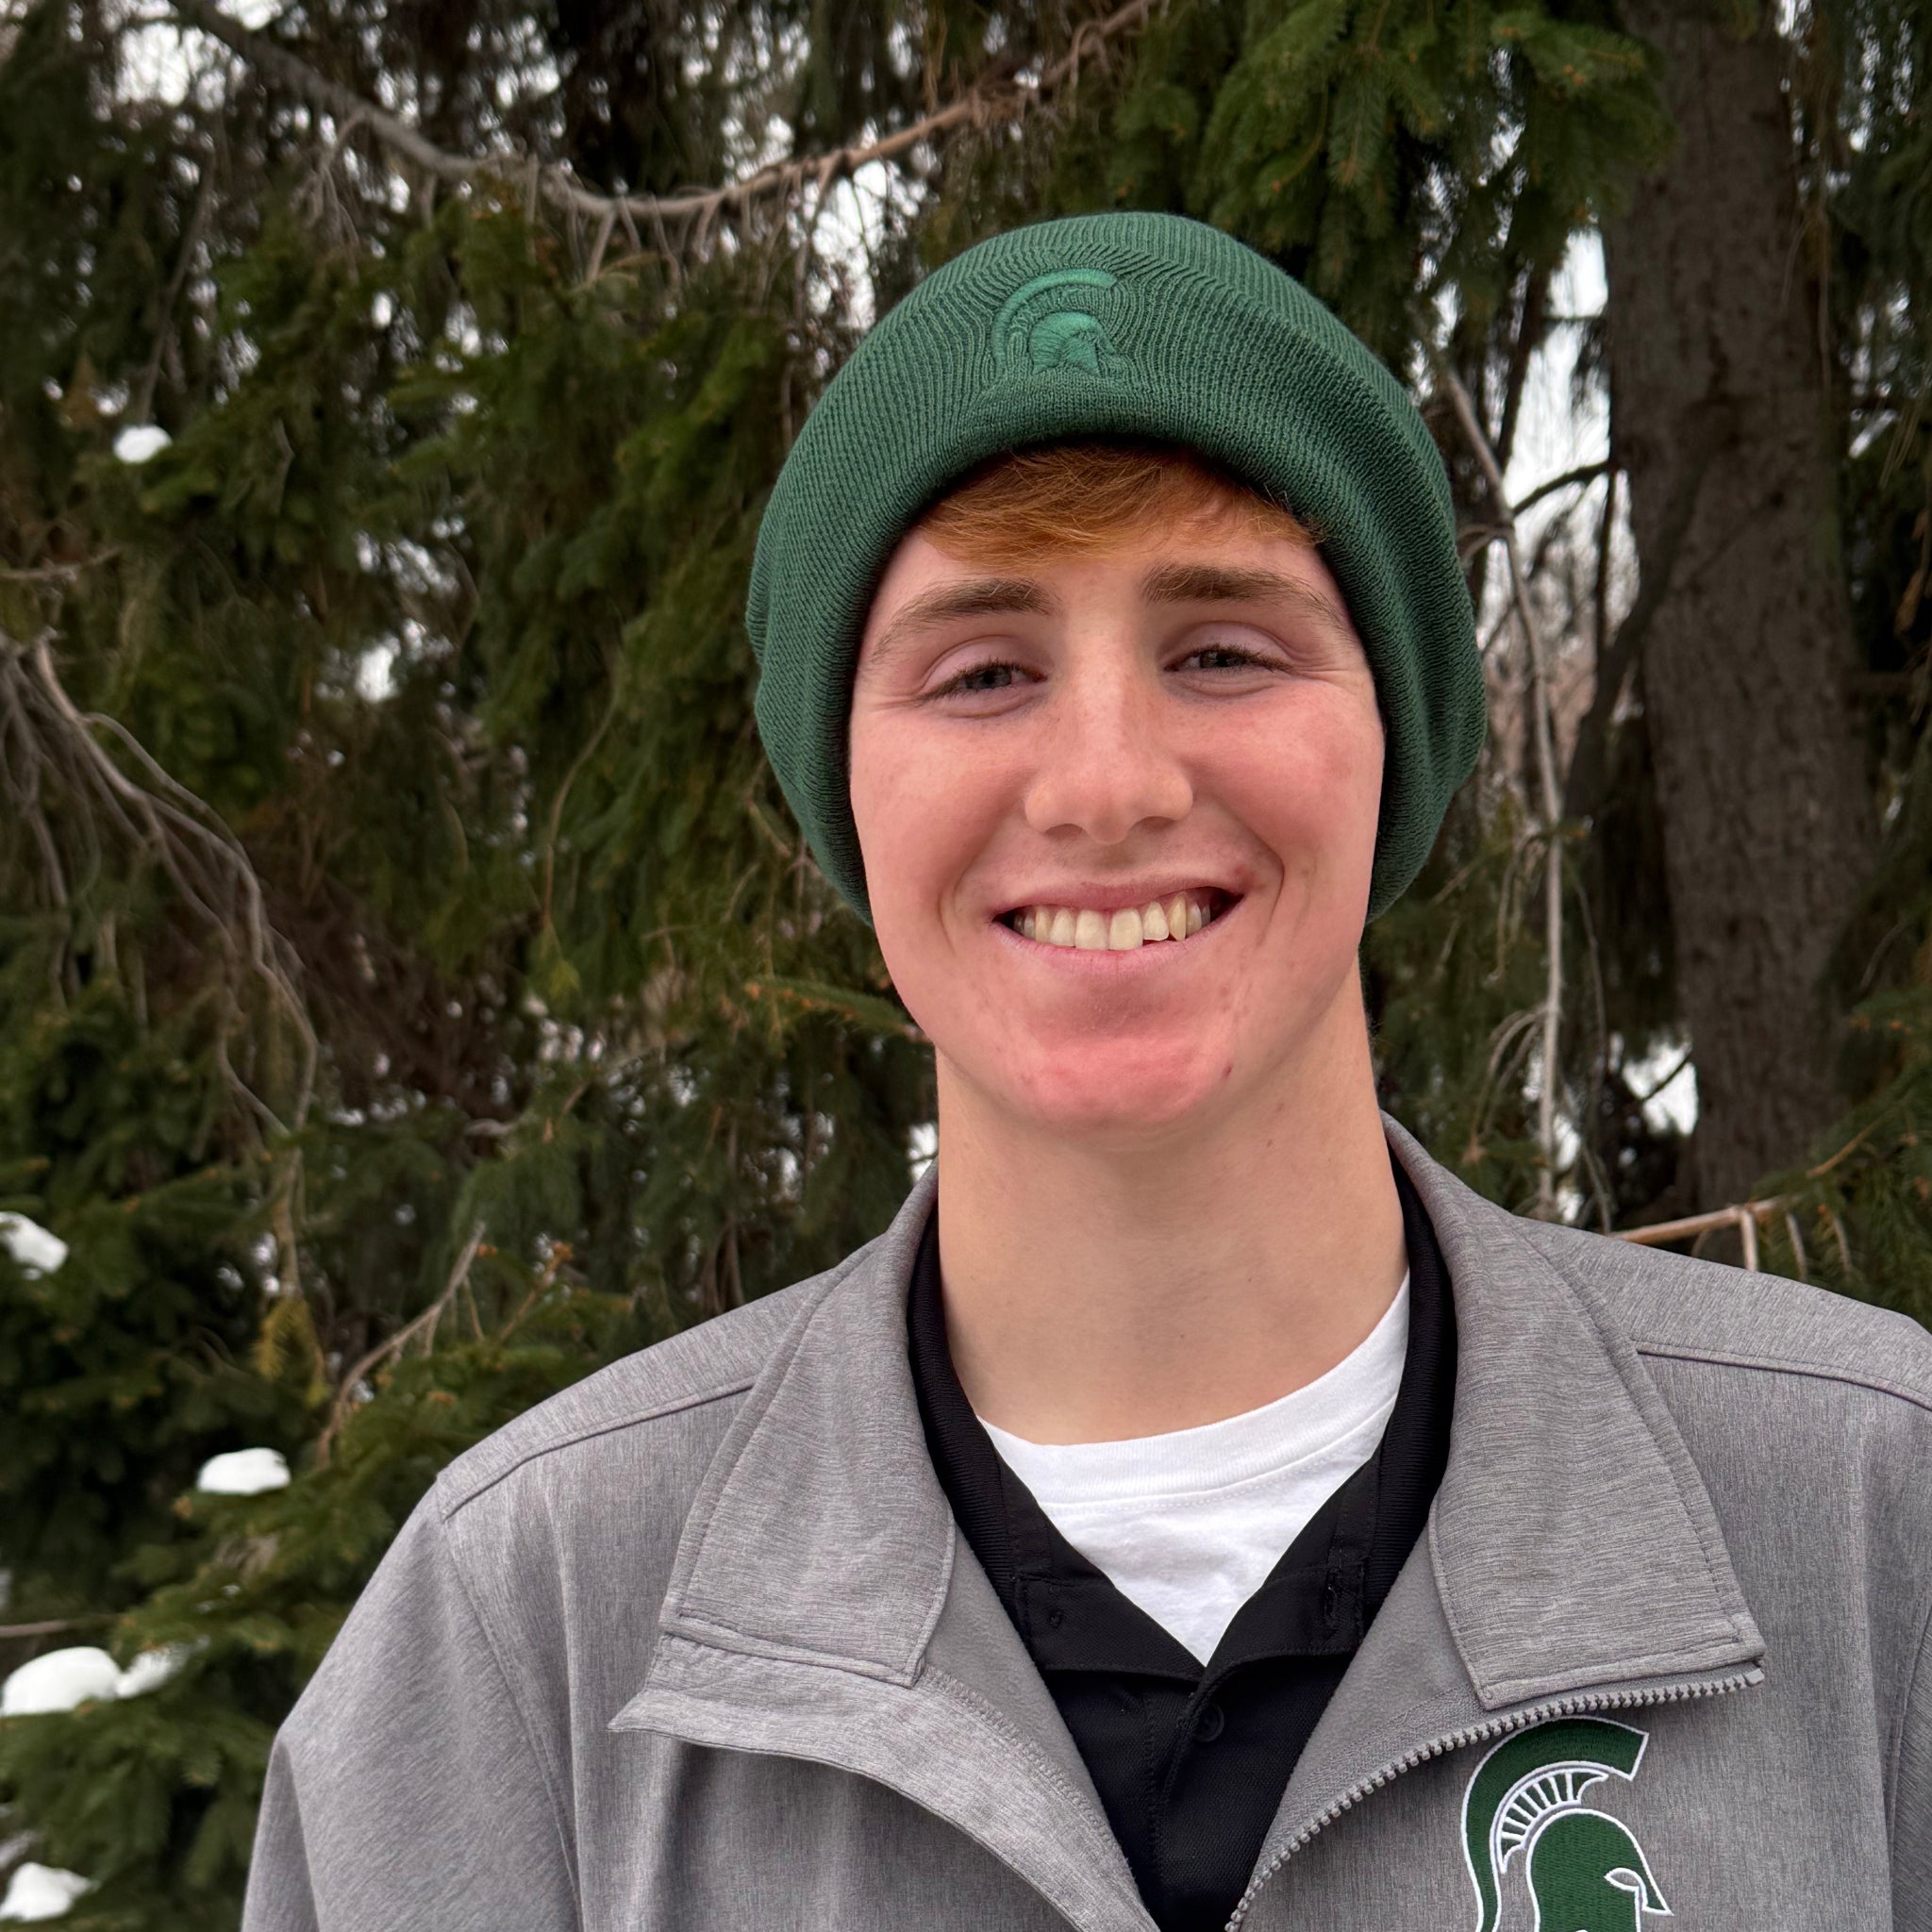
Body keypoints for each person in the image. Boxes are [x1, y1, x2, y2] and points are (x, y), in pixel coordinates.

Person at [242, 213, 1932, 1932]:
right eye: (983, 672)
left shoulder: (1884, 1528)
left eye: (1221, 650)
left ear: (1393, 740)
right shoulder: (518, 1635)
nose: (1105, 783)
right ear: (848, 790)